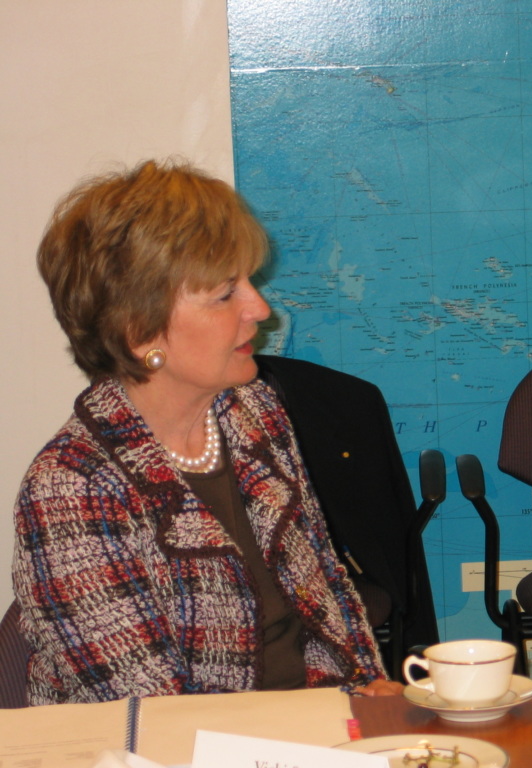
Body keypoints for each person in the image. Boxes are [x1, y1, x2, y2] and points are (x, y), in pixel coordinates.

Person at [13, 159, 403, 704]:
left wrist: (366, 690)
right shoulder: (73, 489)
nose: (260, 308)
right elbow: (154, 719)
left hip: (316, 722)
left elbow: (326, 582)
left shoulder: (251, 409)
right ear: (139, 330)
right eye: (225, 294)